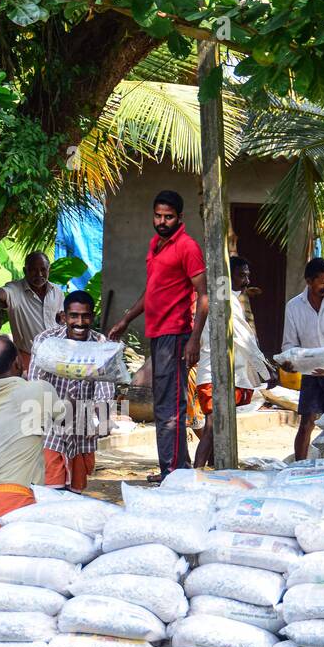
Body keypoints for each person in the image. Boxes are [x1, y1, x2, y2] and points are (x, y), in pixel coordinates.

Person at [107, 189, 208, 482]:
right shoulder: (156, 245)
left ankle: (173, 472)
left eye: (169, 217)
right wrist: (126, 318)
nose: (162, 221)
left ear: (180, 218)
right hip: (158, 333)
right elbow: (152, 291)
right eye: (158, 216)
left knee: (169, 407)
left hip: (176, 335)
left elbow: (203, 295)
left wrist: (194, 339)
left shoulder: (187, 247)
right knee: (165, 404)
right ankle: (176, 468)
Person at [0, 336, 58, 566]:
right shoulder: (38, 390)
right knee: (19, 575)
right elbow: (75, 422)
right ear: (18, 362)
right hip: (17, 499)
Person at [27, 291, 116, 491]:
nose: (80, 322)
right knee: (51, 485)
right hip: (51, 419)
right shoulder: (47, 341)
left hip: (83, 423)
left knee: (76, 490)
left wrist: (100, 420)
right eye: (74, 316)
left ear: (92, 317)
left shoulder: (100, 345)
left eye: (85, 316)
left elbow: (105, 388)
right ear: (64, 317)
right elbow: (35, 381)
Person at [194, 256, 273, 468]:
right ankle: (196, 472)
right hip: (214, 373)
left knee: (218, 427)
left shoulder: (223, 298)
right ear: (228, 278)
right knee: (212, 426)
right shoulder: (225, 301)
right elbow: (245, 340)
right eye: (241, 275)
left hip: (221, 373)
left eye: (248, 275)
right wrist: (266, 371)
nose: (246, 281)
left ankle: (212, 470)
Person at [279, 257, 324, 461]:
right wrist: (293, 363)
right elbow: (289, 344)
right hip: (310, 372)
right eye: (323, 282)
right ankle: (298, 466)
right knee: (306, 422)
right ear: (309, 281)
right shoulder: (294, 306)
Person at [0, 252, 64, 375]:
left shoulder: (56, 291)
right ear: (25, 271)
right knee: (36, 393)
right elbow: (4, 293)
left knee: (51, 393)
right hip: (29, 360)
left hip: (55, 358)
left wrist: (62, 319)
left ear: (49, 269)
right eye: (34, 270)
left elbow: (60, 317)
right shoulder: (15, 290)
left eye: (43, 269)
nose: (39, 274)